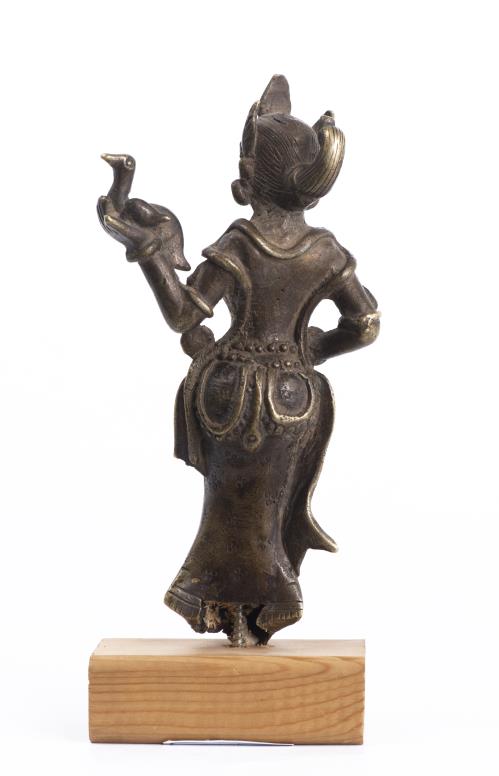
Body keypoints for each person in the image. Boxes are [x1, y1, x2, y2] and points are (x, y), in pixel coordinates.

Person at [97, 75, 380, 646]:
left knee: (229, 505)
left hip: (229, 393)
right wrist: (312, 349)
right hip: (295, 397)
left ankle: (234, 599)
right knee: (268, 507)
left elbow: (184, 316)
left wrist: (149, 251)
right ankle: (263, 604)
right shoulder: (326, 251)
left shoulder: (240, 244)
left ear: (250, 178)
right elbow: (366, 323)